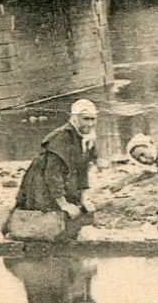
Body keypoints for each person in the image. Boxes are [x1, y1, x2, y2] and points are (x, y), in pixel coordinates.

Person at [14, 99, 101, 233]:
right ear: (75, 118)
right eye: (85, 119)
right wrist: (63, 203)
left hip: (63, 182)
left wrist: (83, 199)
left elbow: (83, 170)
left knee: (78, 212)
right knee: (49, 220)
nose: (89, 124)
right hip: (41, 183)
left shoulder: (87, 139)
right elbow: (52, 174)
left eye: (92, 119)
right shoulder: (61, 137)